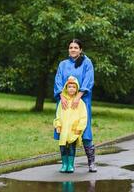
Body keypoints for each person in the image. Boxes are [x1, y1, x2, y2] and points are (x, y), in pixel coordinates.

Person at [54, 39, 97, 172]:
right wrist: (61, 95)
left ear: (80, 49)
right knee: (65, 130)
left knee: (84, 130)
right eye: (71, 47)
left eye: (76, 47)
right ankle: (67, 164)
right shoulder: (63, 64)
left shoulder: (86, 63)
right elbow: (58, 80)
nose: (73, 49)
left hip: (81, 102)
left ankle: (91, 162)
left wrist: (78, 97)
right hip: (65, 102)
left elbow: (88, 80)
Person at [53, 76, 87, 173]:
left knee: (72, 147)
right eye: (69, 87)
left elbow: (83, 116)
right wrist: (58, 125)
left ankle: (71, 165)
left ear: (77, 89)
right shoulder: (62, 102)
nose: (71, 89)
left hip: (73, 129)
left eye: (74, 87)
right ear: (66, 88)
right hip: (64, 130)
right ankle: (64, 164)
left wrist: (79, 128)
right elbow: (58, 114)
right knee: (63, 147)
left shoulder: (80, 102)